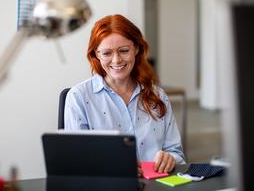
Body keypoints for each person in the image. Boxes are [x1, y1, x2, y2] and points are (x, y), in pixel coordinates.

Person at [64, 14, 185, 175]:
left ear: (136, 49)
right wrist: (113, 168)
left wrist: (170, 158)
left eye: (124, 51)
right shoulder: (79, 97)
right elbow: (76, 162)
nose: (116, 60)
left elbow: (176, 153)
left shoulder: (158, 96)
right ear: (96, 55)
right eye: (107, 53)